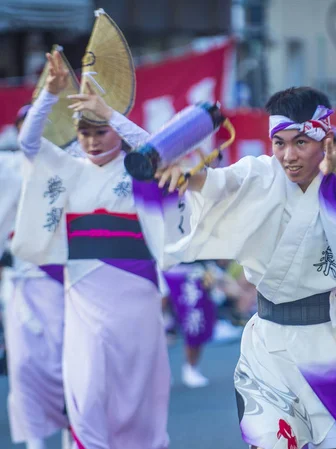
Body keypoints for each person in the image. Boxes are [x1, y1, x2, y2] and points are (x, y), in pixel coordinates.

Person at [158, 86, 336, 449]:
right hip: (269, 345)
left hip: (332, 344)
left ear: (326, 137)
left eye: (301, 142)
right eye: (280, 143)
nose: (288, 155)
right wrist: (187, 177)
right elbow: (220, 182)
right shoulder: (260, 174)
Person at [11, 15, 172, 448]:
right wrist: (49, 93)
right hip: (82, 299)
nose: (92, 140)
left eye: (99, 131)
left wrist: (111, 116)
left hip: (137, 299)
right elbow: (28, 143)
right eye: (84, 132)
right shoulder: (67, 170)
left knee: (140, 402)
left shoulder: (139, 168)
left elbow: (161, 149)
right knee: (85, 394)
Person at [1, 104, 72, 449]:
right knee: (25, 365)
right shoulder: (9, 168)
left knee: (70, 362)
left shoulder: (69, 167)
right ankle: (34, 440)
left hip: (67, 281)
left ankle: (73, 434)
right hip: (24, 282)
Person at [159, 261, 217, 388]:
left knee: (195, 322)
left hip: (193, 270)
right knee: (155, 320)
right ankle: (159, 370)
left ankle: (192, 367)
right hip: (161, 266)